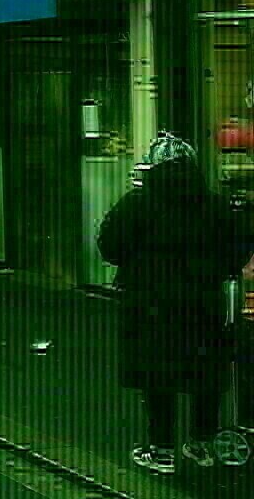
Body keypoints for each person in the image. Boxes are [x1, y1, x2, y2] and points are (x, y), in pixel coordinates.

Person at [97, 132, 252, 474]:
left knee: (158, 375)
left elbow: (108, 244)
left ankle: (162, 449)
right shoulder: (215, 204)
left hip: (150, 304)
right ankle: (201, 443)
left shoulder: (138, 202)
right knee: (204, 371)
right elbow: (240, 249)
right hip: (204, 304)